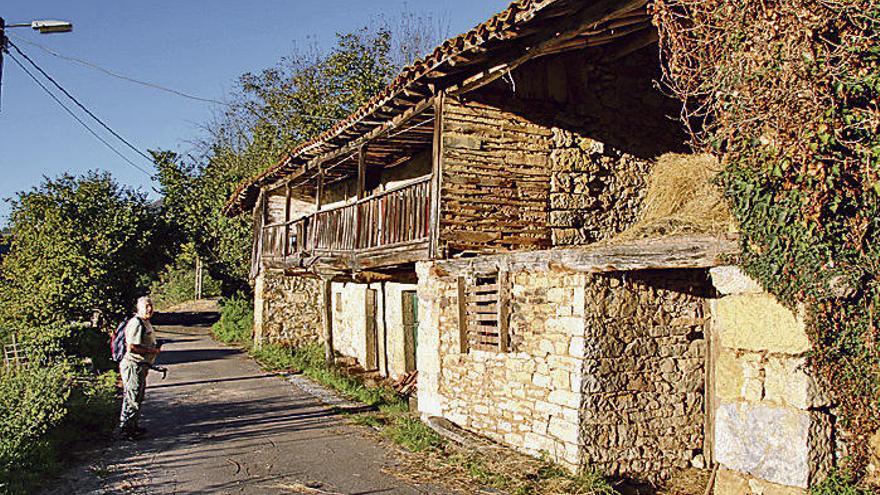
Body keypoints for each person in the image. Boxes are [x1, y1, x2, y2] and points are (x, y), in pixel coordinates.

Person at [115, 296, 161, 440]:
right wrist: (151, 351)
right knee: (132, 397)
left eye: (151, 306)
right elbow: (132, 347)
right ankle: (126, 430)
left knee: (138, 397)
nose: (149, 309)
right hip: (132, 365)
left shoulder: (145, 322)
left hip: (141, 366)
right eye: (146, 306)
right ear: (139, 308)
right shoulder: (136, 323)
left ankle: (132, 426)